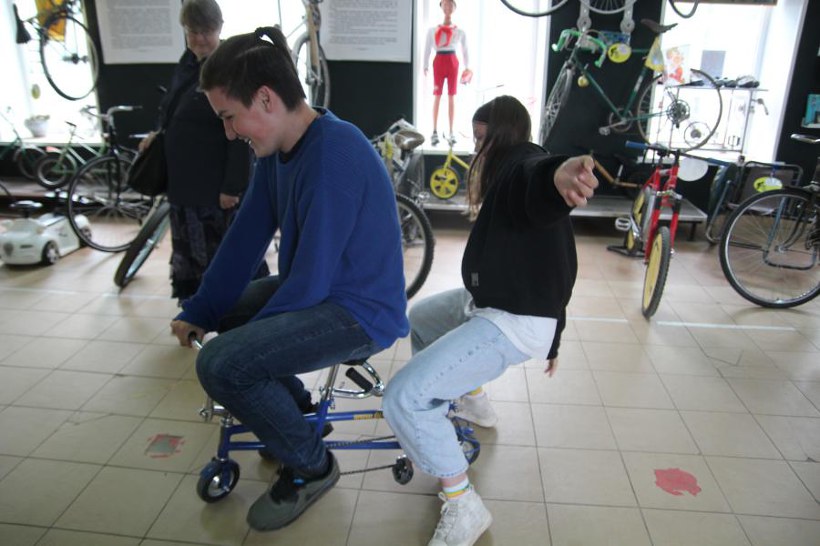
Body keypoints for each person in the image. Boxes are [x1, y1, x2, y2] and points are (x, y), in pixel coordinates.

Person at [169, 27, 409, 532]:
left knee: (222, 364)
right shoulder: (280, 151)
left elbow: (309, 283)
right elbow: (244, 240)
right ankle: (293, 413)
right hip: (320, 288)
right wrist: (202, 309)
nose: (229, 133)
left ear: (265, 99)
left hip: (360, 312)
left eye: (229, 117)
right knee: (230, 319)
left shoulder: (333, 155)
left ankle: (310, 466)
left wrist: (242, 349)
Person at [383, 95, 598, 546]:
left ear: (505, 135)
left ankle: (464, 505)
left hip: (514, 319)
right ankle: (474, 401)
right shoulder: (507, 169)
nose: (477, 148)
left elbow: (537, 176)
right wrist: (557, 336)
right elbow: (560, 266)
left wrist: (558, 174)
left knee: (404, 396)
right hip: (494, 300)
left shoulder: (522, 163)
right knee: (421, 318)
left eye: (482, 138)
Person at [139, 0, 267, 303]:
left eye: (206, 31)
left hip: (214, 188)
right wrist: (158, 132)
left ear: (219, 28)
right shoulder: (187, 63)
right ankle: (197, 308)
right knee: (191, 253)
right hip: (183, 184)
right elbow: (171, 107)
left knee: (227, 254)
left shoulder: (230, 67)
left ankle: (235, 310)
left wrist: (232, 186)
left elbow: (241, 131)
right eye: (192, 31)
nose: (199, 38)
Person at [423, 0, 471, 147]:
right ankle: (434, 131)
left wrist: (467, 67)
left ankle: (451, 131)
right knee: (437, 95)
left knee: (451, 96)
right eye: (445, 4)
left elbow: (465, 50)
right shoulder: (433, 30)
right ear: (441, 6)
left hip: (452, 61)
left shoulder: (459, 31)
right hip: (439, 60)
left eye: (450, 4)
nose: (448, 7)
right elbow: (427, 48)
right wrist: (425, 64)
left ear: (454, 7)